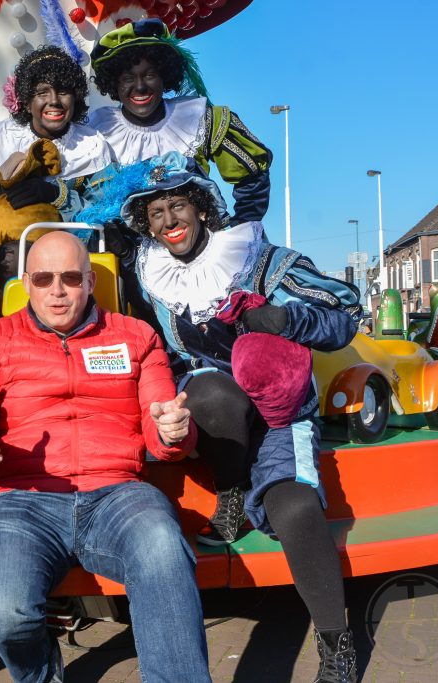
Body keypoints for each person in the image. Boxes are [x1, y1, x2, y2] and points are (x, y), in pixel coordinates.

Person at [78, 157, 361, 682]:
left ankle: (336, 643)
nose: (168, 221)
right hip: (218, 417)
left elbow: (344, 315)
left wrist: (282, 318)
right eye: (156, 212)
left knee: (297, 509)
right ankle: (230, 486)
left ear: (202, 208)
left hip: (281, 417)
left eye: (177, 206)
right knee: (210, 389)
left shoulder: (258, 258)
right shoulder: (148, 274)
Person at [0, 231, 211, 683]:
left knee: (163, 551)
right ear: (26, 282)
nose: (58, 290)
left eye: (70, 277)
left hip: (118, 496)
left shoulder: (137, 336)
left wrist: (173, 431)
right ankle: (42, 672)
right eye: (44, 279)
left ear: (90, 281)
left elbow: (163, 423)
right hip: (22, 500)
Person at [0, 45, 114, 360]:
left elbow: (105, 212)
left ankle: (13, 343)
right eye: (42, 92)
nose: (53, 101)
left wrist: (55, 194)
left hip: (66, 250)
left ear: (75, 97)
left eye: (63, 91)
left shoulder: (91, 147)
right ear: (27, 100)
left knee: (14, 257)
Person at [88, 18, 272, 226]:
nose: (140, 87)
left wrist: (241, 227)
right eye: (128, 78)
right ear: (114, 84)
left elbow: (252, 178)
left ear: (164, 77)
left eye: (149, 75)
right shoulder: (98, 129)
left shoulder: (201, 118)